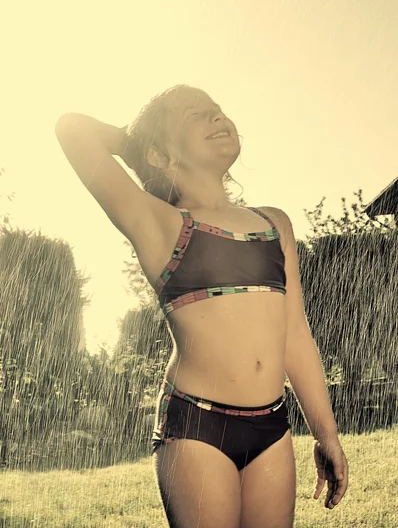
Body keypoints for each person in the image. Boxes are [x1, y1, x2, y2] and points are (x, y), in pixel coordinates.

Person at [55, 84, 348, 528]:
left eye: (217, 109)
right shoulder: (156, 221)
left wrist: (326, 433)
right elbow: (71, 128)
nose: (215, 116)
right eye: (195, 114)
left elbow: (296, 335)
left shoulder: (273, 222)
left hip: (272, 426)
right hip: (195, 426)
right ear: (160, 153)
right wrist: (141, 147)